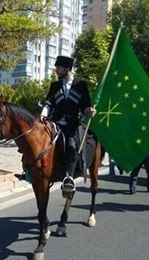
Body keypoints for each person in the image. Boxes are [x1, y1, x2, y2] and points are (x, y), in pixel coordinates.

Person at [40, 55, 96, 195]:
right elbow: (49, 103)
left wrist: (89, 110)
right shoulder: (55, 86)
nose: (56, 70)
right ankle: (30, 171)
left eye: (58, 67)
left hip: (72, 125)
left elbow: (85, 105)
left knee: (70, 144)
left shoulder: (80, 85)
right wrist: (43, 114)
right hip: (56, 122)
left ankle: (68, 177)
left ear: (66, 68)